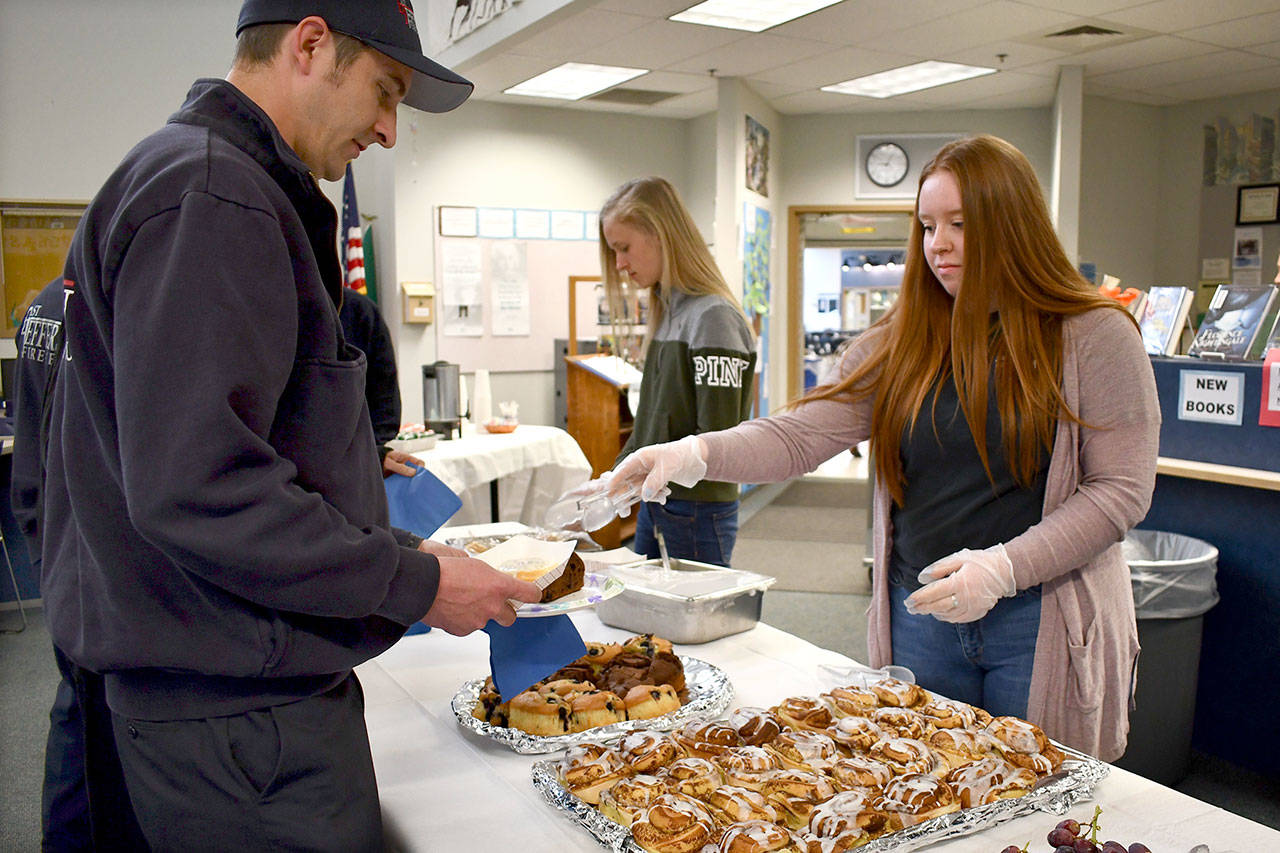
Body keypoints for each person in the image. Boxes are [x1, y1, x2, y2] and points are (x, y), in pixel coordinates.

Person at [40, 3, 541, 849]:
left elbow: (229, 455)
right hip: (240, 724)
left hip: (205, 697)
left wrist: (403, 554)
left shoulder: (191, 177)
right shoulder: (214, 193)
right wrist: (413, 584)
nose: (387, 131)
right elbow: (204, 487)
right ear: (310, 44)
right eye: (384, 93)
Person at [602, 135, 1160, 763]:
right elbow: (800, 435)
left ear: (1014, 224)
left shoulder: (1094, 335)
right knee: (925, 790)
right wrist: (692, 454)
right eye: (926, 225)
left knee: (1038, 799)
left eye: (959, 223)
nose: (937, 243)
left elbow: (1120, 490)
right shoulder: (903, 340)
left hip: (1040, 620)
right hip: (920, 614)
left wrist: (1005, 568)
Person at [599, 176, 756, 566]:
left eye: (624, 248)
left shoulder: (713, 317)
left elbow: (718, 441)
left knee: (699, 625)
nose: (619, 264)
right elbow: (652, 424)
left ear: (660, 235)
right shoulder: (668, 312)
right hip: (659, 501)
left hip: (696, 509)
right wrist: (613, 480)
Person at [338, 287, 422, 477]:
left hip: (355, 469)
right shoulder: (271, 311)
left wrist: (373, 454)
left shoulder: (359, 310)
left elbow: (385, 405)